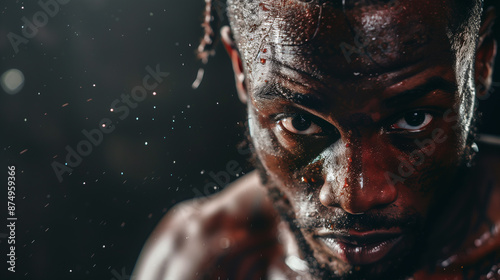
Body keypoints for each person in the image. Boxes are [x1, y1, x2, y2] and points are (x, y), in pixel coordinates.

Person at [133, 0, 500, 279]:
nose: (355, 196)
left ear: (481, 60)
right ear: (241, 70)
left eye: (413, 119)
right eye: (299, 122)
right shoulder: (205, 259)